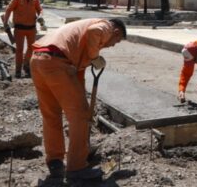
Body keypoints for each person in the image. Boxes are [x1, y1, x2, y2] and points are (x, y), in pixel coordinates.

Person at [29, 18, 126, 181]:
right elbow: (94, 32)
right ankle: (77, 168)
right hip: (56, 62)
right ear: (116, 32)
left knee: (51, 115)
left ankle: (55, 162)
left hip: (39, 60)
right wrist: (95, 57)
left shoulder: (80, 39)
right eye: (115, 41)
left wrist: (83, 100)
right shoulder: (106, 26)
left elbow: (76, 75)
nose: (112, 45)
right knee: (80, 117)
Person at [2, 0, 43, 78]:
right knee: (19, 50)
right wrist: (5, 23)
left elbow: (40, 10)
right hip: (19, 29)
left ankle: (26, 64)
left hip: (31, 28)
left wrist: (40, 16)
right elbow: (8, 10)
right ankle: (18, 70)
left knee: (31, 48)